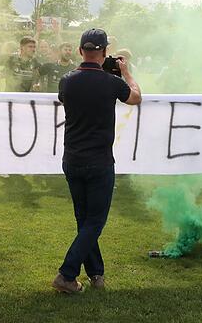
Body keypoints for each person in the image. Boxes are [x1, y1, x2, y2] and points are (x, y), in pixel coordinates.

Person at [51, 28, 141, 293]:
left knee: (84, 220)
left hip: (72, 160)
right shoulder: (111, 83)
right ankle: (66, 275)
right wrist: (125, 73)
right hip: (100, 161)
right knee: (94, 222)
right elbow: (135, 97)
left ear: (80, 51)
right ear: (104, 52)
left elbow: (65, 97)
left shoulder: (67, 80)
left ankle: (96, 274)